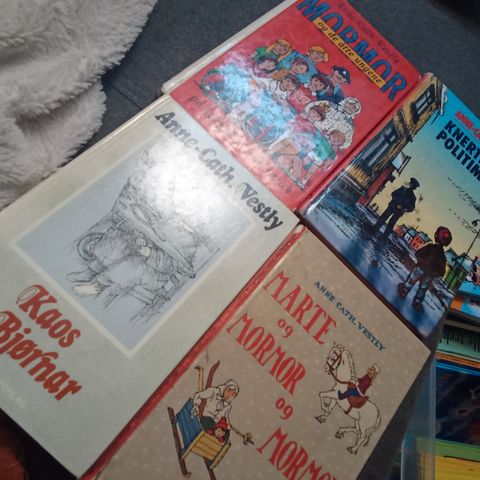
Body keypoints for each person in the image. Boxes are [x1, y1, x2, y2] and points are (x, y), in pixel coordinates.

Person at [398, 226, 452, 309]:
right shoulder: (442, 256)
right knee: (422, 289)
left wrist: (421, 261)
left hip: (419, 269)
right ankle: (417, 302)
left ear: (436, 236)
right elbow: (442, 272)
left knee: (411, 281)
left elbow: (418, 253)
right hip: (429, 276)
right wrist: (432, 273)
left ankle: (404, 291)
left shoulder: (430, 247)